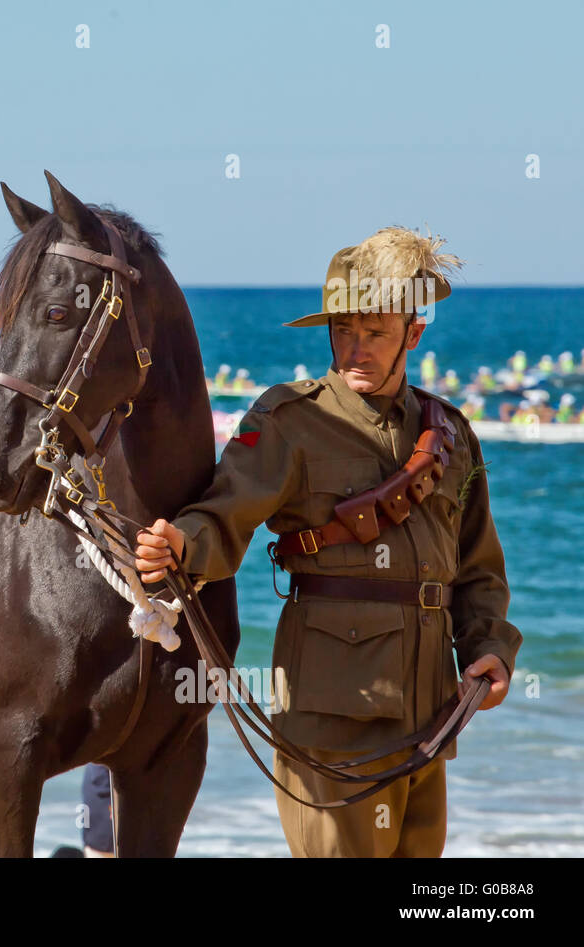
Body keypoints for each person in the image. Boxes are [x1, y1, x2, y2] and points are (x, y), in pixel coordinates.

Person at [134, 227, 520, 858]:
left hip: (431, 718)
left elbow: (476, 569)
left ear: (413, 335)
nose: (355, 350)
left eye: (375, 333)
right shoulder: (290, 419)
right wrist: (180, 545)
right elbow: (226, 510)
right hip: (332, 718)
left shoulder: (450, 434)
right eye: (343, 331)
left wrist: (491, 649)